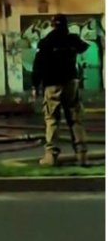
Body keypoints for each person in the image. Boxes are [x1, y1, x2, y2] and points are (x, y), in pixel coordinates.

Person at [33, 14, 90, 167]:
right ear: (66, 25)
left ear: (52, 25)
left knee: (52, 120)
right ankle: (82, 155)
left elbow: (38, 65)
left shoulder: (46, 42)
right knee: (75, 119)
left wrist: (35, 86)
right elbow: (84, 47)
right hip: (71, 83)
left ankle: (51, 157)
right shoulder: (72, 39)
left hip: (52, 85)